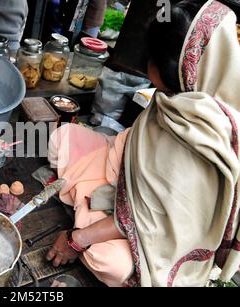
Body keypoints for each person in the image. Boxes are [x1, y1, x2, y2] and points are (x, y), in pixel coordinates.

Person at [46, 0, 240, 287]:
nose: (146, 64)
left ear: (178, 67)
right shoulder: (184, 94)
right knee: (62, 137)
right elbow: (135, 149)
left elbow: (149, 224)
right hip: (121, 172)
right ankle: (85, 204)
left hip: (152, 234)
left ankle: (84, 210)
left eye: (152, 59)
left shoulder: (204, 138)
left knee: (108, 262)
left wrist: (77, 240)